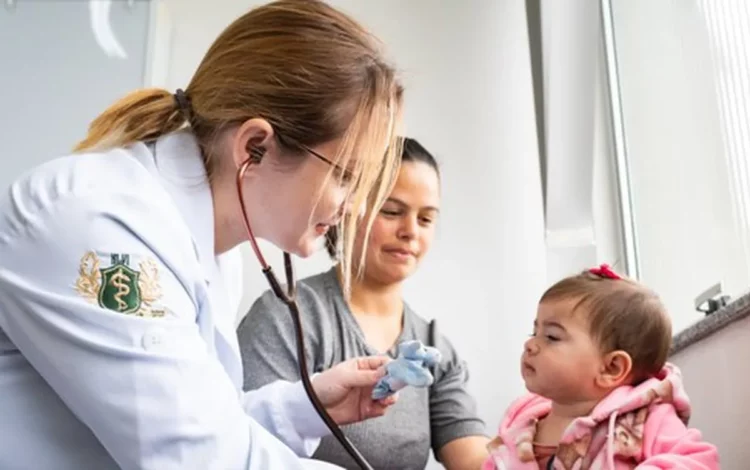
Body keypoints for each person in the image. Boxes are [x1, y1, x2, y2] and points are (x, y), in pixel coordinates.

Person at [0, 1, 407, 469]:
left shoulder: (212, 243)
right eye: (347, 177)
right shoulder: (96, 223)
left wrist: (305, 407)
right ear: (255, 147)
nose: (354, 207)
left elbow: (196, 417)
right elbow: (197, 454)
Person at [238, 138, 490, 470]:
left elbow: (477, 461)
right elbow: (243, 442)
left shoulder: (434, 349)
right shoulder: (286, 317)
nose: (410, 231)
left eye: (426, 219)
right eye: (391, 211)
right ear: (345, 209)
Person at [481, 265, 719, 469]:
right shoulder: (514, 434)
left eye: (551, 337)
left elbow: (697, 462)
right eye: (535, 332)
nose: (531, 344)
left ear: (611, 368)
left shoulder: (646, 420)